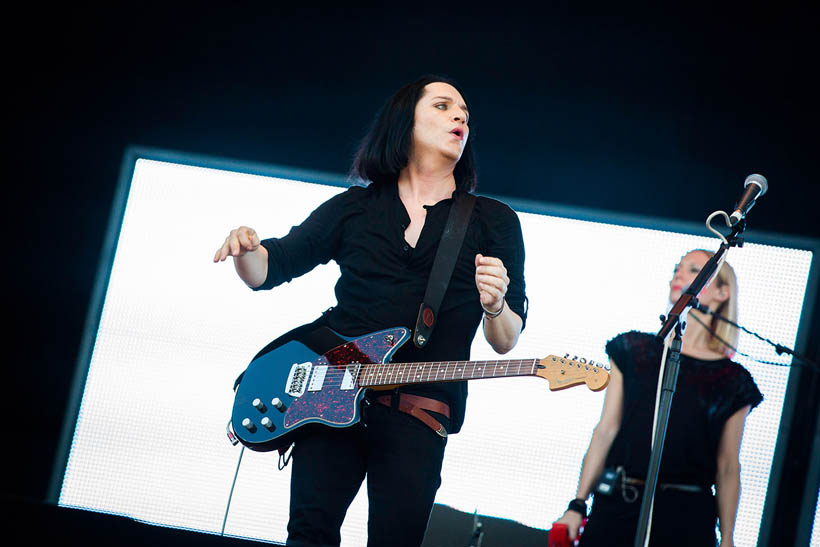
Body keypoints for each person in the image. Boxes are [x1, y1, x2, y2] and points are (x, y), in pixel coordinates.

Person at [213, 75, 528, 547]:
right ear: (406, 121)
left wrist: (496, 303)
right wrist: (244, 248)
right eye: (443, 106)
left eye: (464, 111)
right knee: (308, 535)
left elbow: (506, 338)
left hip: (419, 411)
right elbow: (269, 268)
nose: (460, 116)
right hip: (331, 387)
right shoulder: (354, 208)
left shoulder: (493, 220)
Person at [554, 249, 763, 547]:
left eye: (694, 270)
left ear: (722, 292)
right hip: (619, 503)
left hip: (687, 518)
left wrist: (728, 537)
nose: (679, 275)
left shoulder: (733, 381)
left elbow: (728, 465)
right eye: (677, 268)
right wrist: (577, 504)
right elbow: (606, 431)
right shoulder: (634, 350)